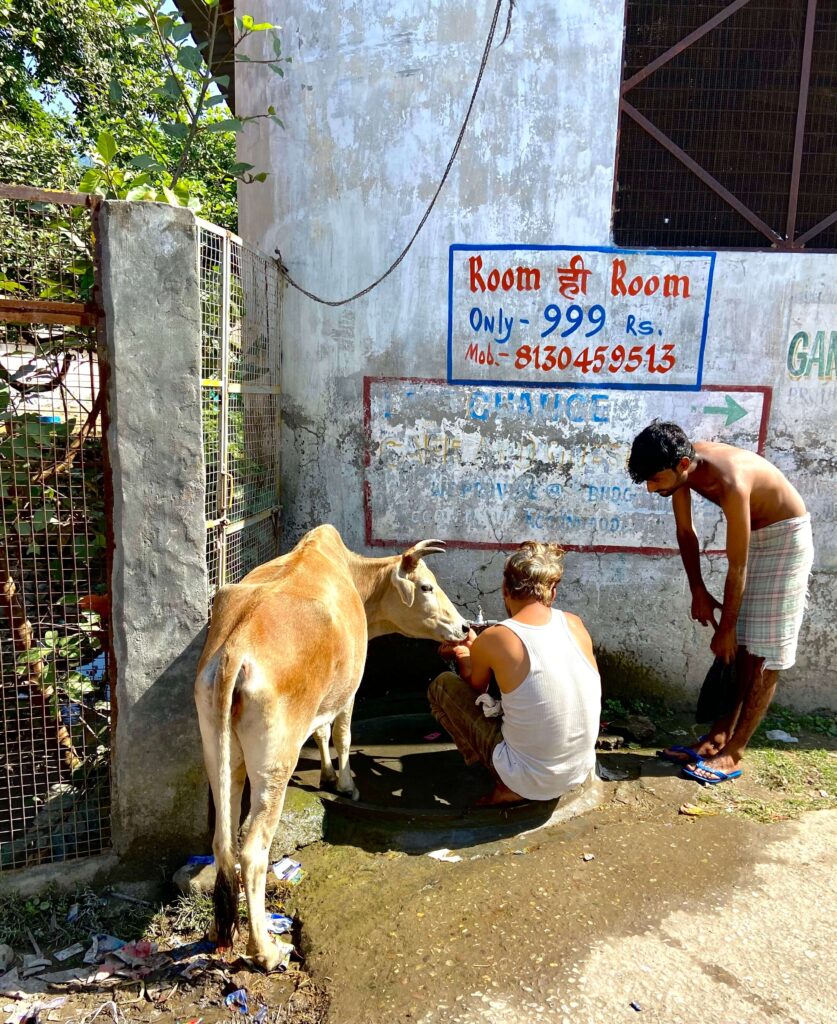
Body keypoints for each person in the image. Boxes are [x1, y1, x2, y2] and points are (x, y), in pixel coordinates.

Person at [627, 421, 814, 784]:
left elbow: (737, 566)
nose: (651, 489)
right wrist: (697, 589)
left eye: (655, 480)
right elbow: (686, 532)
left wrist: (726, 628)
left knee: (765, 652)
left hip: (785, 539)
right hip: (756, 536)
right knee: (741, 648)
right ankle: (716, 739)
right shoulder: (682, 468)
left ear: (682, 465)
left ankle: (733, 752)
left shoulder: (731, 480)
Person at [427, 541, 601, 806]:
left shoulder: (497, 636)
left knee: (441, 686)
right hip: (578, 770)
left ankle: (504, 781)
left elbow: (474, 689)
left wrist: (464, 654)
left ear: (504, 589)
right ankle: (517, 774)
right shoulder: (573, 623)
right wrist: (479, 648)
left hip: (527, 780)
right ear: (552, 592)